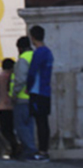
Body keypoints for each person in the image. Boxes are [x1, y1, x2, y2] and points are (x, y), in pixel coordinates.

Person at [26, 25, 54, 159]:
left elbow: (32, 72)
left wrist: (28, 86)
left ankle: (42, 151)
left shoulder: (38, 53)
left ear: (32, 37)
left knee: (39, 122)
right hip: (46, 91)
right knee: (44, 121)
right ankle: (44, 149)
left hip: (37, 91)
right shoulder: (48, 52)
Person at [11, 36, 40, 160]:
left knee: (21, 126)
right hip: (34, 96)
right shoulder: (36, 57)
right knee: (30, 126)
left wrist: (14, 94)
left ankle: (30, 150)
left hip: (22, 98)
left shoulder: (23, 60)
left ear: (20, 48)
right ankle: (32, 149)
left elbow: (20, 79)